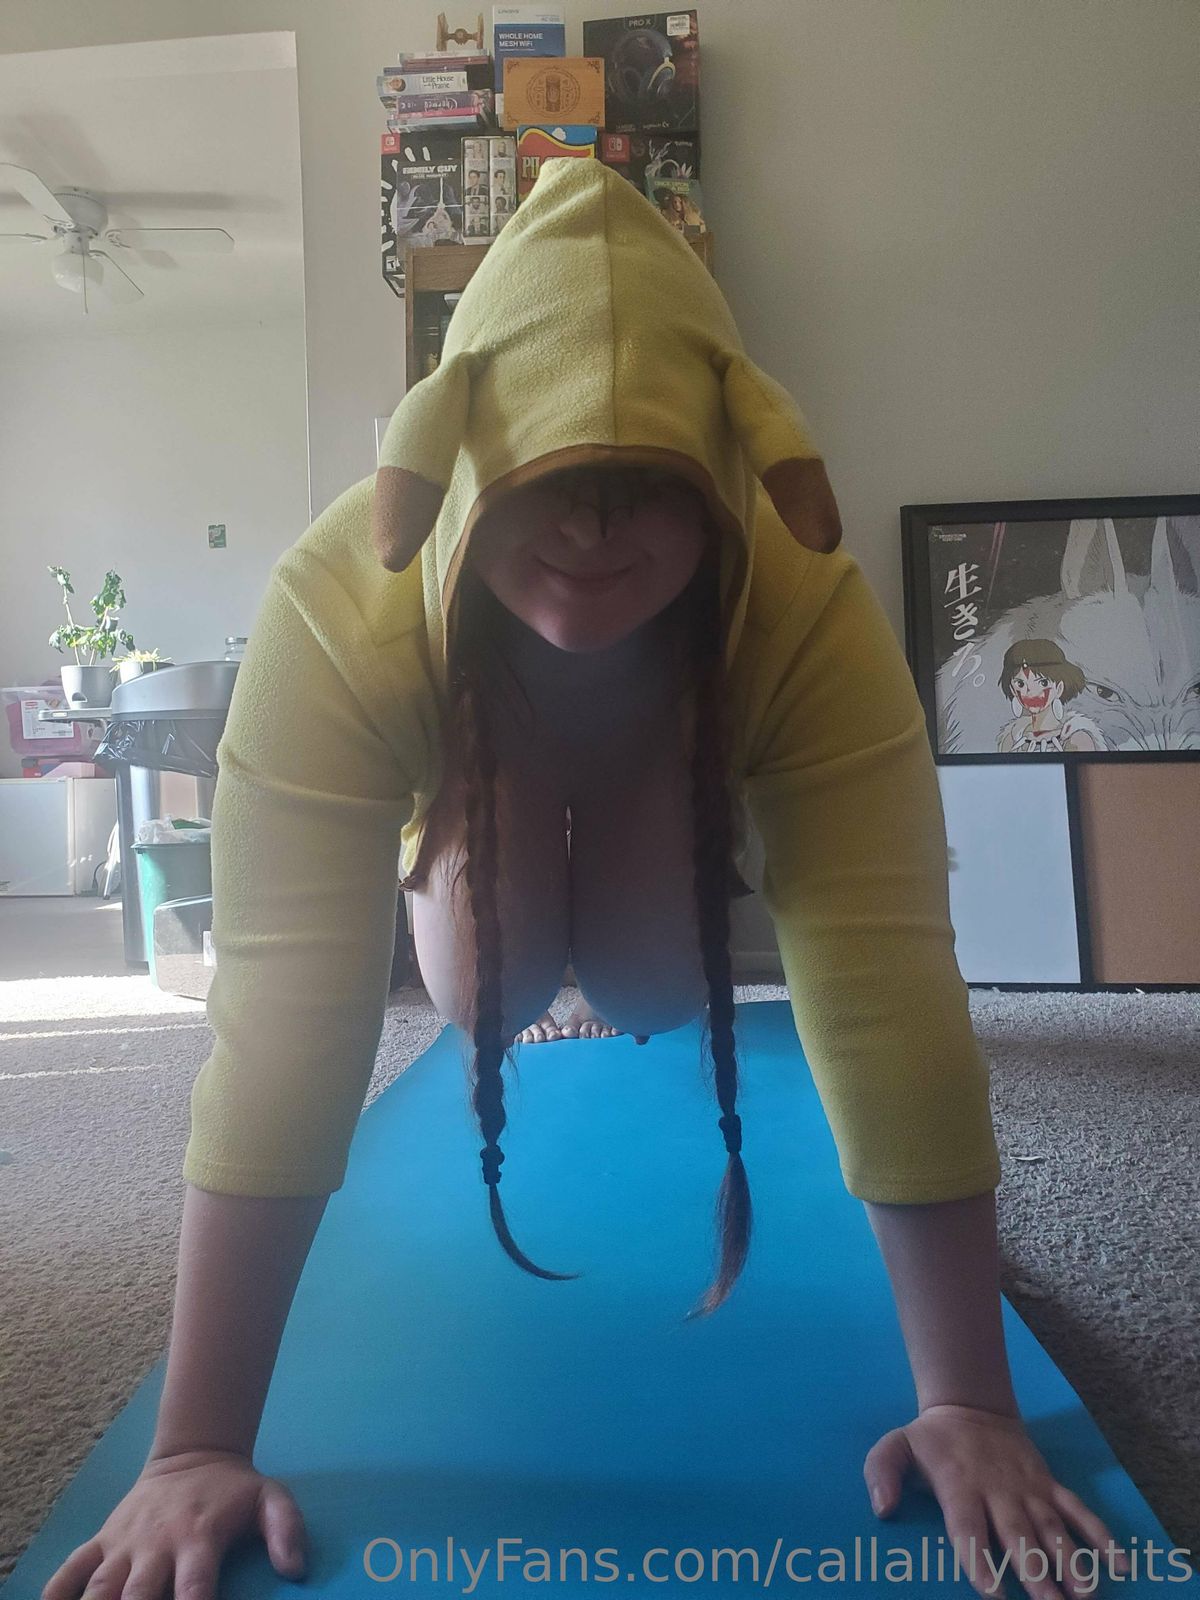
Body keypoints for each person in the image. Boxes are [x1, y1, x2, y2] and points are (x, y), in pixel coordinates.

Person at [43, 159, 1129, 1600]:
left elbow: (887, 985)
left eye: (645, 492)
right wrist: (194, 1448)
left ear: (727, 477)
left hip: (667, 774)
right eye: (553, 488)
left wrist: (972, 1404)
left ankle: (640, 766)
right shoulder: (336, 610)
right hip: (465, 770)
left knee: (649, 984)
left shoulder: (804, 606)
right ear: (459, 467)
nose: (594, 533)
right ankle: (493, 785)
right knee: (485, 997)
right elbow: (281, 1023)